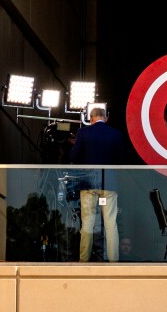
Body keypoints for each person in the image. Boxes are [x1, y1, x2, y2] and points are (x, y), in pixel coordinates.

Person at [70, 106, 125, 262]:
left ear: (91, 118)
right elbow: (122, 160)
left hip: (88, 183)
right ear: (106, 117)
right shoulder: (116, 133)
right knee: (110, 224)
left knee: (87, 224)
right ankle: (114, 261)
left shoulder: (83, 133)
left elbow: (73, 156)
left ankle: (84, 260)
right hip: (109, 183)